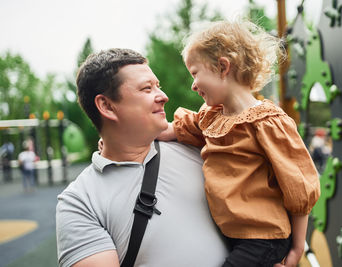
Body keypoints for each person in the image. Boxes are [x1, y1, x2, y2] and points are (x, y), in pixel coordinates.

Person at [157, 20, 321, 267]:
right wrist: (131, 137)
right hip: (235, 235)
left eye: (194, 73)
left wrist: (298, 247)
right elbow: (174, 129)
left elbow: (299, 186)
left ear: (223, 67)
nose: (192, 84)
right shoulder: (211, 117)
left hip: (264, 237)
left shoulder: (267, 122)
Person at [56, 48, 228, 267]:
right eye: (147, 89)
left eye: (158, 86)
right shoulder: (80, 202)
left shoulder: (201, 147)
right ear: (107, 106)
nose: (163, 97)